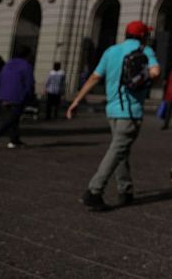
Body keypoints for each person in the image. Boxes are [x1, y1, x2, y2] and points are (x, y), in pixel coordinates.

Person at [66, 20, 160, 212]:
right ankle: (94, 191)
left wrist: (76, 101)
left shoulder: (111, 51)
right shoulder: (145, 51)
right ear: (143, 36)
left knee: (120, 149)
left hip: (113, 111)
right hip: (131, 112)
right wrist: (144, 77)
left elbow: (94, 77)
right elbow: (155, 72)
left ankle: (125, 189)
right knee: (117, 149)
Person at [0, 47, 34, 149]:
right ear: (27, 55)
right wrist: (29, 95)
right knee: (12, 118)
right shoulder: (26, 66)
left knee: (14, 118)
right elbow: (29, 83)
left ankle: (14, 140)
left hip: (3, 94)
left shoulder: (8, 64)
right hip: (17, 95)